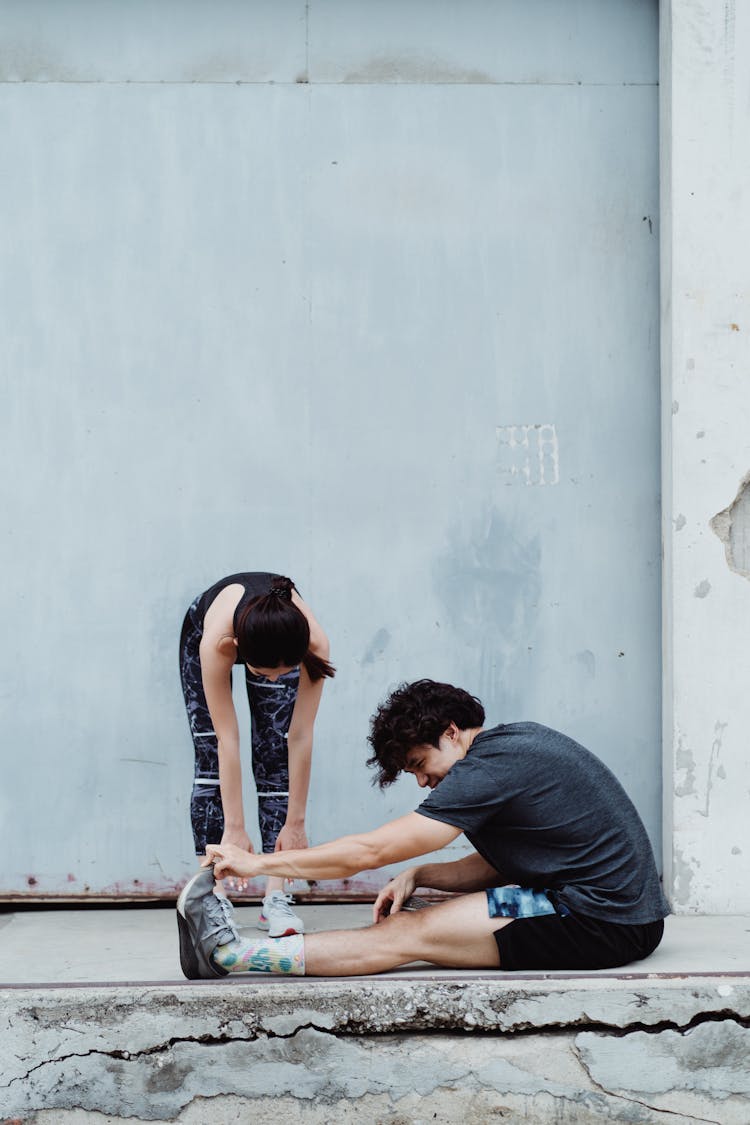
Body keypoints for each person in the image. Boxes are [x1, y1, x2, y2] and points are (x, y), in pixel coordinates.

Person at [176, 679, 669, 978]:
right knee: (417, 922)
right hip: (603, 908)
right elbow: (514, 861)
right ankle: (230, 955)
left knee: (408, 934)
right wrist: (423, 875)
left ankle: (228, 956)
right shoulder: (511, 748)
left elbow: (371, 851)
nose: (422, 781)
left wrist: (258, 863)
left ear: (451, 732)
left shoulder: (489, 768)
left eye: (420, 763)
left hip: (603, 923)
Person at [179, 572, 334, 937]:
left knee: (274, 754)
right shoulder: (217, 641)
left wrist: (296, 822)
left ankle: (275, 898)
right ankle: (213, 895)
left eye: (285, 673)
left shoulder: (313, 644)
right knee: (209, 758)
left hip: (274, 639)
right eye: (264, 674)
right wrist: (234, 827)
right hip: (205, 632)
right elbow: (226, 738)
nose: (273, 681)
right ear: (236, 649)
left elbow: (300, 736)